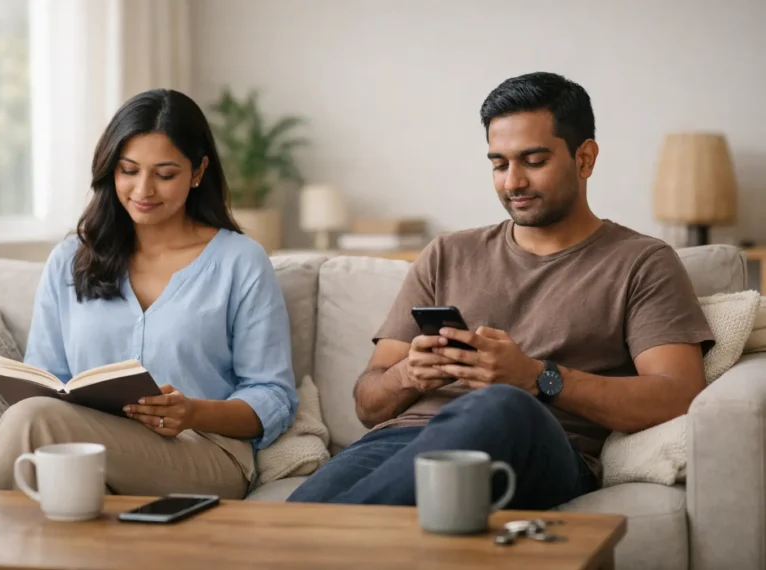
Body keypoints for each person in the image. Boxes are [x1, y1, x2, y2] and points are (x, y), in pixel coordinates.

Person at [287, 71, 714, 508]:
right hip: (399, 440)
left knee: (501, 405)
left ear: (584, 159)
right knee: (292, 523)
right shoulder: (446, 253)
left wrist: (537, 378)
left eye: (533, 161)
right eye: (499, 163)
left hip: (537, 447)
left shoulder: (642, 262)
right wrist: (408, 375)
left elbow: (678, 395)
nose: (512, 182)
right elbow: (368, 404)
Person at [0, 89, 298, 499]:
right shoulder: (70, 258)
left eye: (164, 174)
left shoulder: (240, 261)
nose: (143, 190)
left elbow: (273, 395)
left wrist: (192, 411)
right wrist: (13, 430)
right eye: (129, 170)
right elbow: (46, 378)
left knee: (33, 421)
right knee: (30, 423)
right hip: (89, 444)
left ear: (198, 172)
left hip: (205, 452)